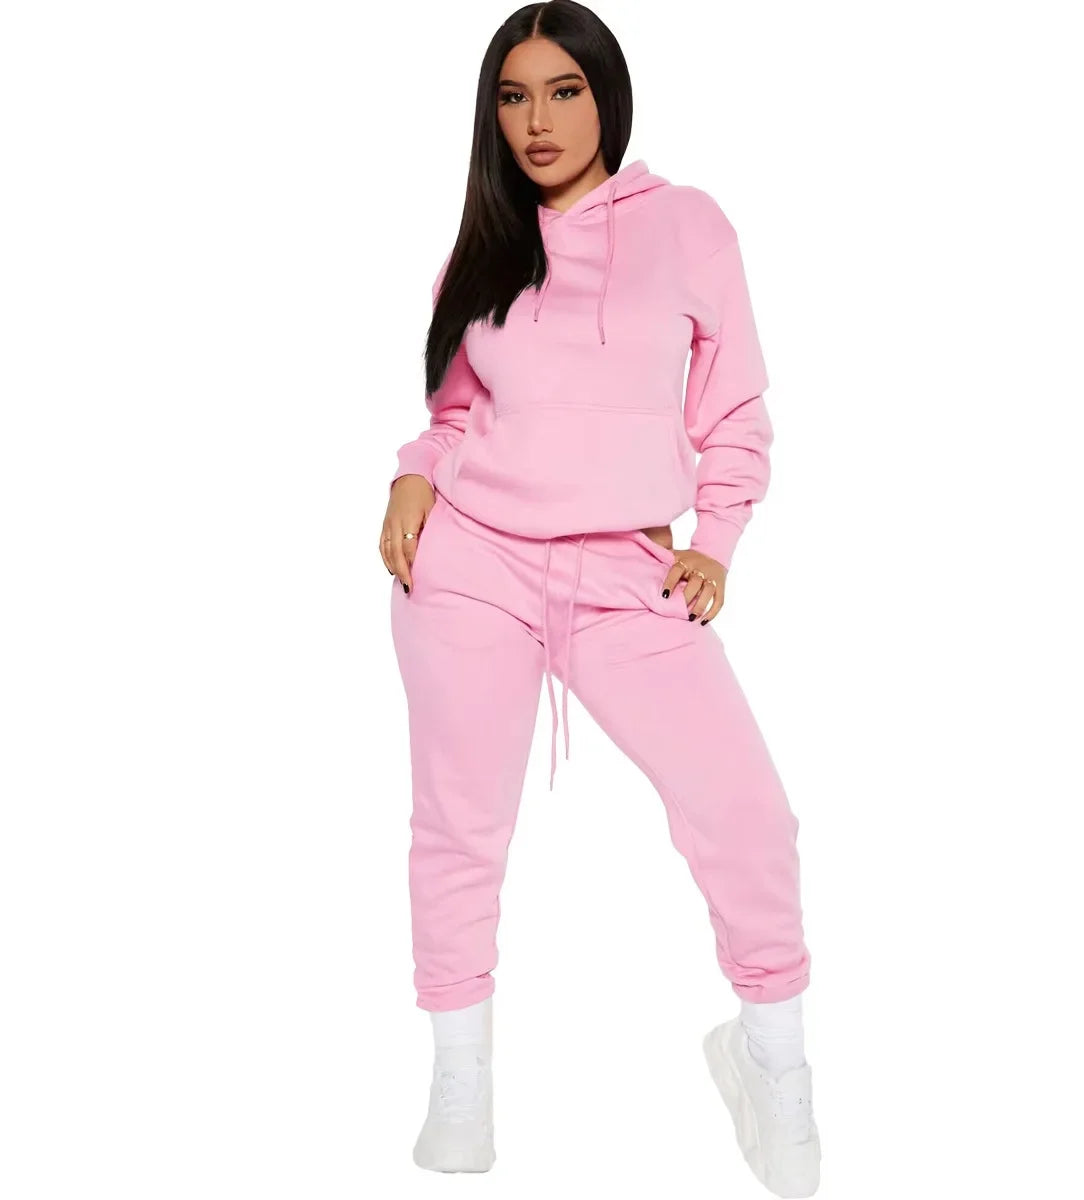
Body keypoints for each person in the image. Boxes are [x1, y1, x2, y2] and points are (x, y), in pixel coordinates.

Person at [379, 4, 819, 1195]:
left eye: (564, 91)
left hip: (626, 569)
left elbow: (734, 407)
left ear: (607, 97)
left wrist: (717, 543)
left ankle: (773, 1057)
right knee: (460, 827)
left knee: (746, 812)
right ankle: (459, 1083)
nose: (538, 120)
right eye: (514, 96)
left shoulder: (688, 226)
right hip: (471, 562)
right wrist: (411, 477)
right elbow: (454, 414)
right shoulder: (484, 244)